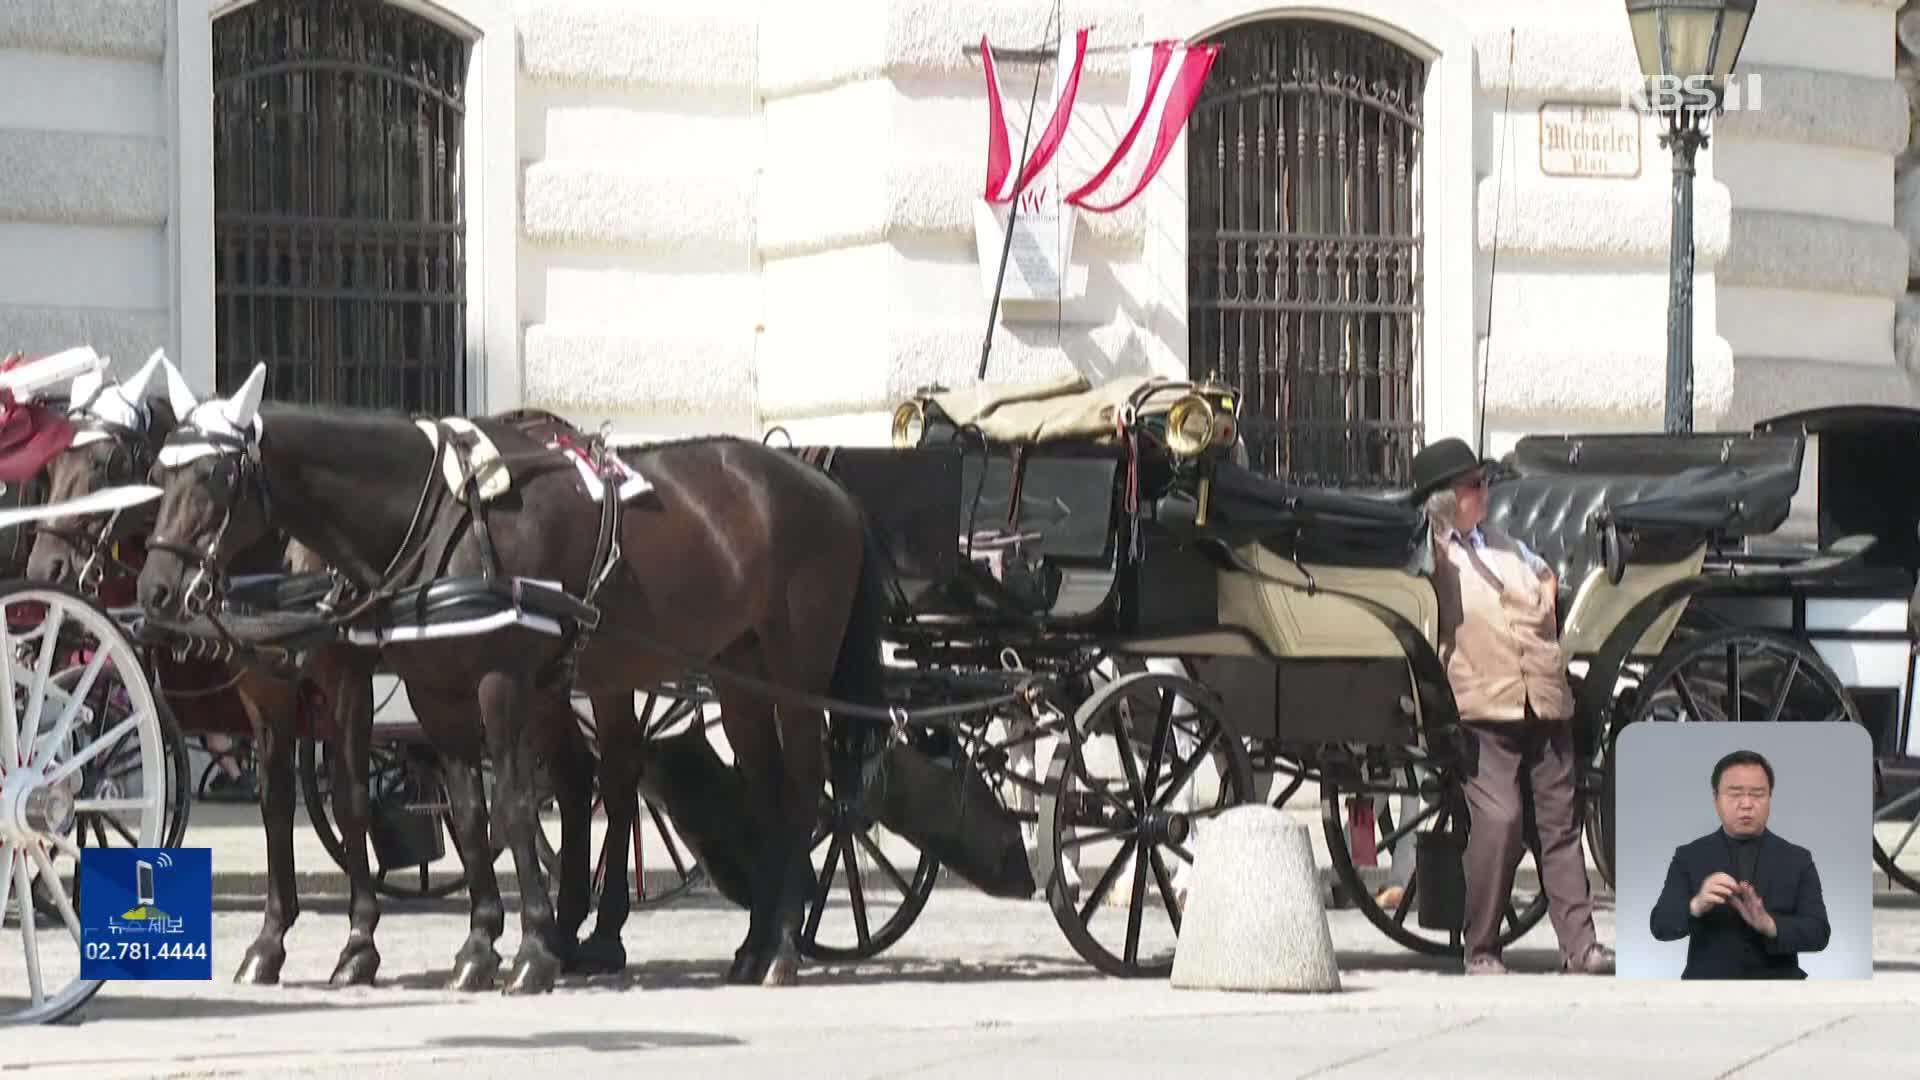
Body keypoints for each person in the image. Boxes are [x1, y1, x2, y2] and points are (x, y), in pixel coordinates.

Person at [1410, 436, 1613, 976]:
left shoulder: (1503, 542)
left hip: (1544, 699)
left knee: (1560, 822)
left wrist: (1545, 601)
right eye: (1474, 485)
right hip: (1482, 707)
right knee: (1500, 820)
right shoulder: (1430, 555)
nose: (1485, 492)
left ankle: (1581, 946)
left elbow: (1545, 574)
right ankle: (1480, 946)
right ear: (1446, 500)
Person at [1649, 749, 1830, 979]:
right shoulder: (1689, 856)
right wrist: (1695, 905)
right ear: (1716, 798)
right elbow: (1660, 926)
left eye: (1757, 794)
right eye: (1735, 794)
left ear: (1770, 798)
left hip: (1780, 990)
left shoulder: (1797, 859)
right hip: (1706, 990)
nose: (1746, 804)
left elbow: (1819, 932)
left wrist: (1771, 925)